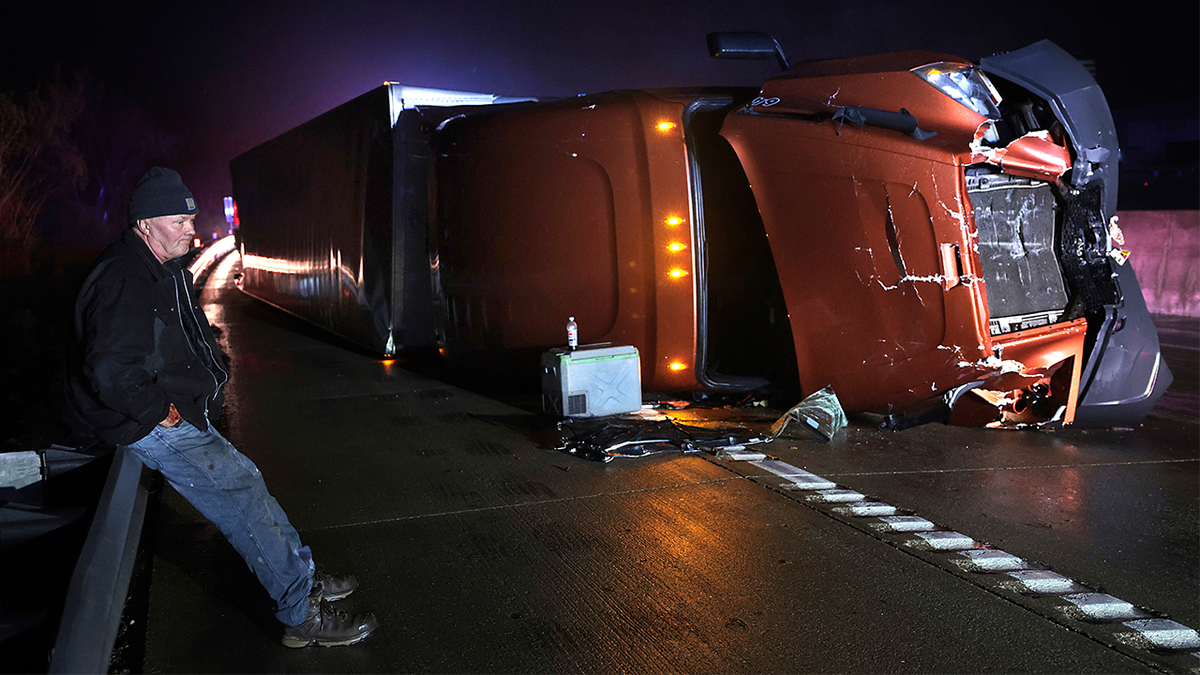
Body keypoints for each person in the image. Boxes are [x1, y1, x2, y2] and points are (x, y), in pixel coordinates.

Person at [63, 167, 378, 648]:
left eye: (191, 219)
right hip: (144, 419)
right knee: (239, 494)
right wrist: (159, 410)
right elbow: (108, 370)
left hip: (168, 407)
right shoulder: (126, 276)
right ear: (144, 224)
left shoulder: (160, 266)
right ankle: (300, 616)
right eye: (179, 221)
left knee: (246, 483)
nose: (191, 229)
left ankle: (303, 579)